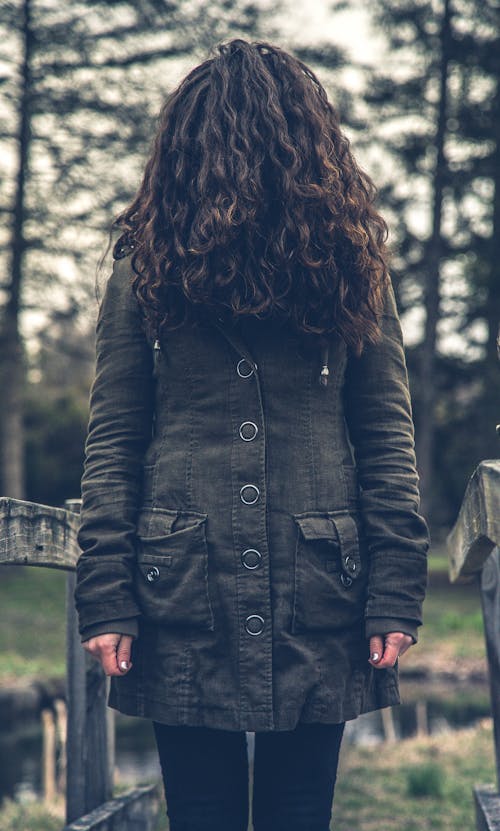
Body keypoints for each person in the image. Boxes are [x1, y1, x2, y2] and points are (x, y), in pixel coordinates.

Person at [74, 38, 429, 831]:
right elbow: (116, 436)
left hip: (318, 585)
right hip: (181, 586)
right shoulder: (146, 266)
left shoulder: (352, 266)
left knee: (298, 814)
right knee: (201, 816)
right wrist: (106, 593)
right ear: (313, 141)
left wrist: (396, 585)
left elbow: (382, 433)